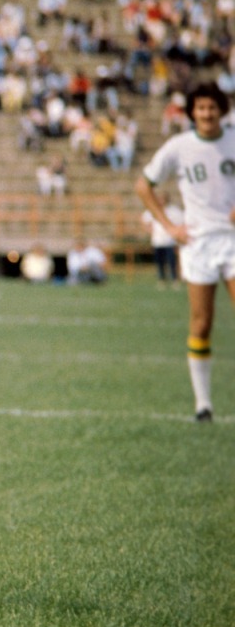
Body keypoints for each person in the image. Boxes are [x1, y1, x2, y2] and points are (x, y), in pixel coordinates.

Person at [135, 82, 235, 423]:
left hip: (233, 241)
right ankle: (203, 404)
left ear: (222, 110)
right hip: (197, 244)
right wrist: (168, 226)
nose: (207, 113)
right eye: (201, 108)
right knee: (201, 322)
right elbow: (143, 185)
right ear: (192, 112)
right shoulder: (178, 147)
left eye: (212, 107)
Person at [142, 188, 183, 289]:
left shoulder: (174, 211)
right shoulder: (154, 210)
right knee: (160, 262)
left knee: (171, 261)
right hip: (157, 241)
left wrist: (175, 232)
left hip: (169, 241)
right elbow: (144, 219)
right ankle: (161, 279)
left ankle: (175, 279)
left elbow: (181, 222)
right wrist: (149, 230)